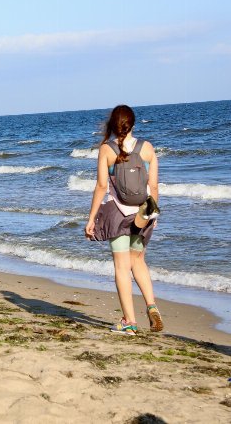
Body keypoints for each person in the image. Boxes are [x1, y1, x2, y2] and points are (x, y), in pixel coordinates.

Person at [85, 104, 163, 335]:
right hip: (142, 214)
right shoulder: (147, 148)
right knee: (138, 261)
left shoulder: (106, 150)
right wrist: (153, 213)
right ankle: (152, 306)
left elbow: (101, 186)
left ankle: (129, 321)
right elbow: (154, 186)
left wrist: (91, 219)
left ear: (112, 125)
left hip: (117, 213)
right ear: (133, 124)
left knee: (121, 266)